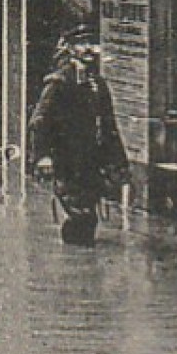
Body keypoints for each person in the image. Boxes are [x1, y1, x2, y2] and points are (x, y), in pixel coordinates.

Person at [28, 31, 128, 245]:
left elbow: (109, 126)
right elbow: (39, 122)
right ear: (71, 49)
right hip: (68, 162)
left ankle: (82, 263)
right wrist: (43, 156)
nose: (90, 48)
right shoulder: (60, 82)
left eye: (94, 43)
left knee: (88, 217)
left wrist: (119, 164)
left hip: (91, 163)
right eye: (83, 43)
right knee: (81, 215)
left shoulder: (98, 84)